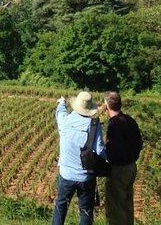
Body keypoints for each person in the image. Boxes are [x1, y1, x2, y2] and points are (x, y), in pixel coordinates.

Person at [52, 91, 106, 225]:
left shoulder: (65, 121)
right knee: (86, 210)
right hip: (86, 177)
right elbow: (100, 152)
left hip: (66, 175)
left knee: (61, 207)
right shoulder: (94, 125)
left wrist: (62, 102)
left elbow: (60, 112)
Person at [103, 91, 143, 225]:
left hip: (118, 170)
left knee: (115, 210)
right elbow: (139, 143)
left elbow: (116, 151)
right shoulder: (130, 120)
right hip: (131, 167)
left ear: (106, 106)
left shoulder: (114, 125)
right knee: (127, 206)